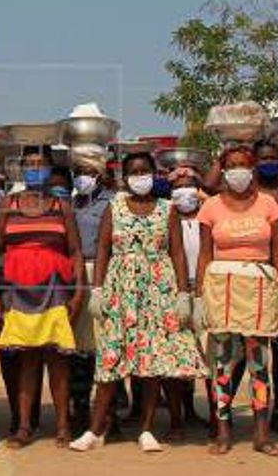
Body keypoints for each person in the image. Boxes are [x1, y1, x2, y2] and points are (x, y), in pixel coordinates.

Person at [70, 152, 205, 452]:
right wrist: (98, 289)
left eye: (144, 171)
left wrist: (184, 294)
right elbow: (103, 248)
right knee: (111, 358)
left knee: (152, 361)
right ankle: (94, 430)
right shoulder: (114, 206)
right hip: (121, 290)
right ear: (125, 176)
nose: (139, 176)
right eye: (133, 171)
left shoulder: (166, 209)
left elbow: (178, 253)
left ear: (154, 175)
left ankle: (146, 429)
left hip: (159, 290)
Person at [193, 144, 278, 457]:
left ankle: (261, 434)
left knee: (259, 363)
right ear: (223, 169)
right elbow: (205, 253)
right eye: (231, 164)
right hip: (221, 285)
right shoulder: (210, 206)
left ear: (251, 169)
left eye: (243, 164)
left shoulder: (268, 203)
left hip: (260, 285)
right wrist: (198, 297)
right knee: (222, 363)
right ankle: (223, 431)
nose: (237, 170)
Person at [0, 147, 85, 448]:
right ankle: (24, 426)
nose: (36, 169)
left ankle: (62, 425)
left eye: (41, 164)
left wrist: (78, 294)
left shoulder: (62, 205)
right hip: (18, 291)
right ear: (21, 170)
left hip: (55, 290)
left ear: (50, 169)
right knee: (27, 362)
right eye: (30, 164)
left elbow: (74, 251)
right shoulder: (9, 204)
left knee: (58, 362)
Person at [253, 139, 278, 434]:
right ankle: (256, 409)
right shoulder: (247, 194)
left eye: (273, 157)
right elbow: (210, 183)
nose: (268, 162)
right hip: (253, 277)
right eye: (262, 158)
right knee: (251, 351)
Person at [68, 148, 111, 431]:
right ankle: (81, 407)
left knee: (104, 343)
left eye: (88, 172)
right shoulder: (72, 203)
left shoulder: (112, 203)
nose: (83, 178)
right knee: (80, 346)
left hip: (104, 272)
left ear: (100, 174)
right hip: (76, 273)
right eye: (79, 172)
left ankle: (108, 411)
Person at [169, 162, 212, 429]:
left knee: (209, 354)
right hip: (175, 290)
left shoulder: (209, 216)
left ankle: (214, 413)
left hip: (206, 290)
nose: (184, 192)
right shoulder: (165, 218)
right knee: (178, 355)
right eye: (178, 187)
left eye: (189, 186)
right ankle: (179, 417)